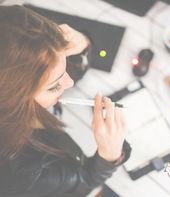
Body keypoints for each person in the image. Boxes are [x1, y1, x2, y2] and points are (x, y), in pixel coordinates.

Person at [0, 5, 131, 197]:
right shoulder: (22, 171)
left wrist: (83, 44)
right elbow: (83, 185)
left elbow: (58, 70)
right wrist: (108, 156)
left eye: (65, 62)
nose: (69, 83)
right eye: (54, 85)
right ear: (14, 99)